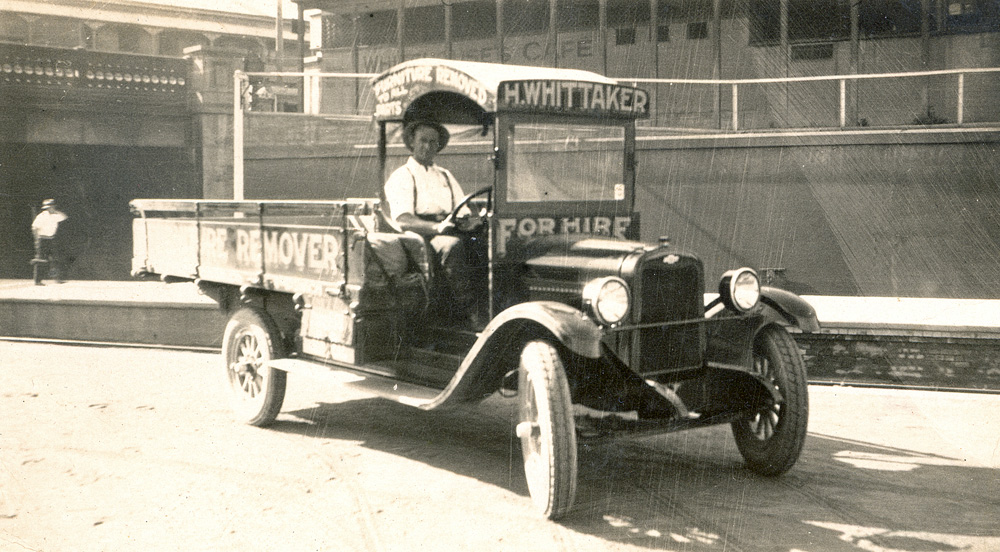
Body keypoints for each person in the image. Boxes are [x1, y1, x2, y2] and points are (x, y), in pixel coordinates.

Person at [382, 120, 484, 327]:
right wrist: (436, 228)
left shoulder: (445, 175)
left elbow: (462, 208)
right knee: (451, 247)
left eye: (432, 142)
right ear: (412, 142)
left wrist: (468, 222)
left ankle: (492, 304)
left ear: (439, 146)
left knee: (486, 243)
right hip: (421, 235)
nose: (427, 147)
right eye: (423, 141)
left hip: (450, 227)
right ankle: (470, 312)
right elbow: (403, 220)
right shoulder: (402, 176)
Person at [31, 198, 68, 285]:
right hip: (42, 239)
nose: (50, 208)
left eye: (51, 206)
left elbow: (64, 217)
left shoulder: (56, 215)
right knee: (40, 260)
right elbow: (34, 228)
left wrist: (55, 211)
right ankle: (37, 281)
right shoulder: (41, 216)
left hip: (51, 239)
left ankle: (56, 278)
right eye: (49, 207)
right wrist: (36, 240)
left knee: (54, 259)